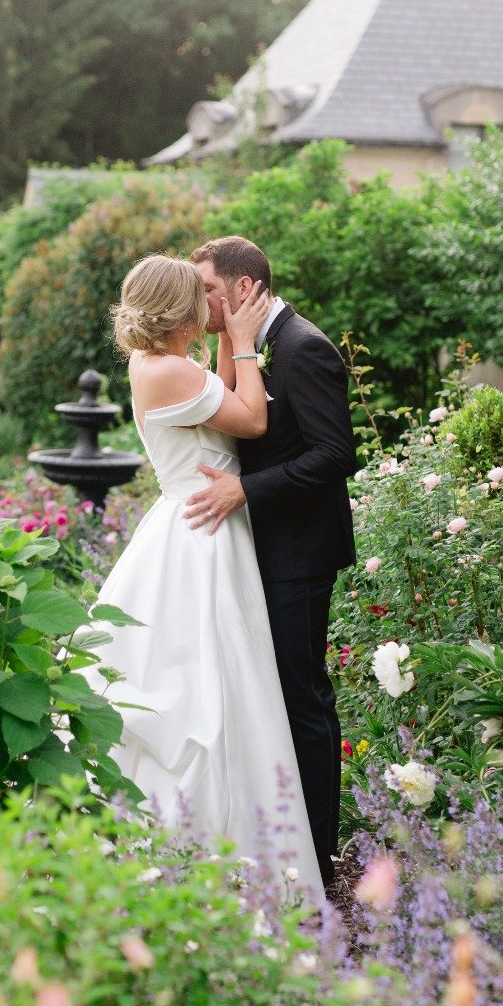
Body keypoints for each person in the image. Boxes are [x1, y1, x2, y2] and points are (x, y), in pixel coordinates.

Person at [94, 252, 322, 897]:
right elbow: (250, 419)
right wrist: (245, 343)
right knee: (210, 685)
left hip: (200, 523)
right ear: (179, 306)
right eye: (201, 296)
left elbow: (218, 396)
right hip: (199, 537)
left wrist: (227, 344)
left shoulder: (165, 362)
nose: (210, 303)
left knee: (224, 679)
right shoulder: (164, 370)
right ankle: (209, 846)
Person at [184, 236, 357, 889]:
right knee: (275, 698)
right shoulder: (248, 346)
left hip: (301, 554)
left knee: (303, 698)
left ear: (245, 288)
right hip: (263, 550)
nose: (201, 301)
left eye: (208, 289)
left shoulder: (305, 347)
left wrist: (244, 490)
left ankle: (317, 855)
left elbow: (335, 453)